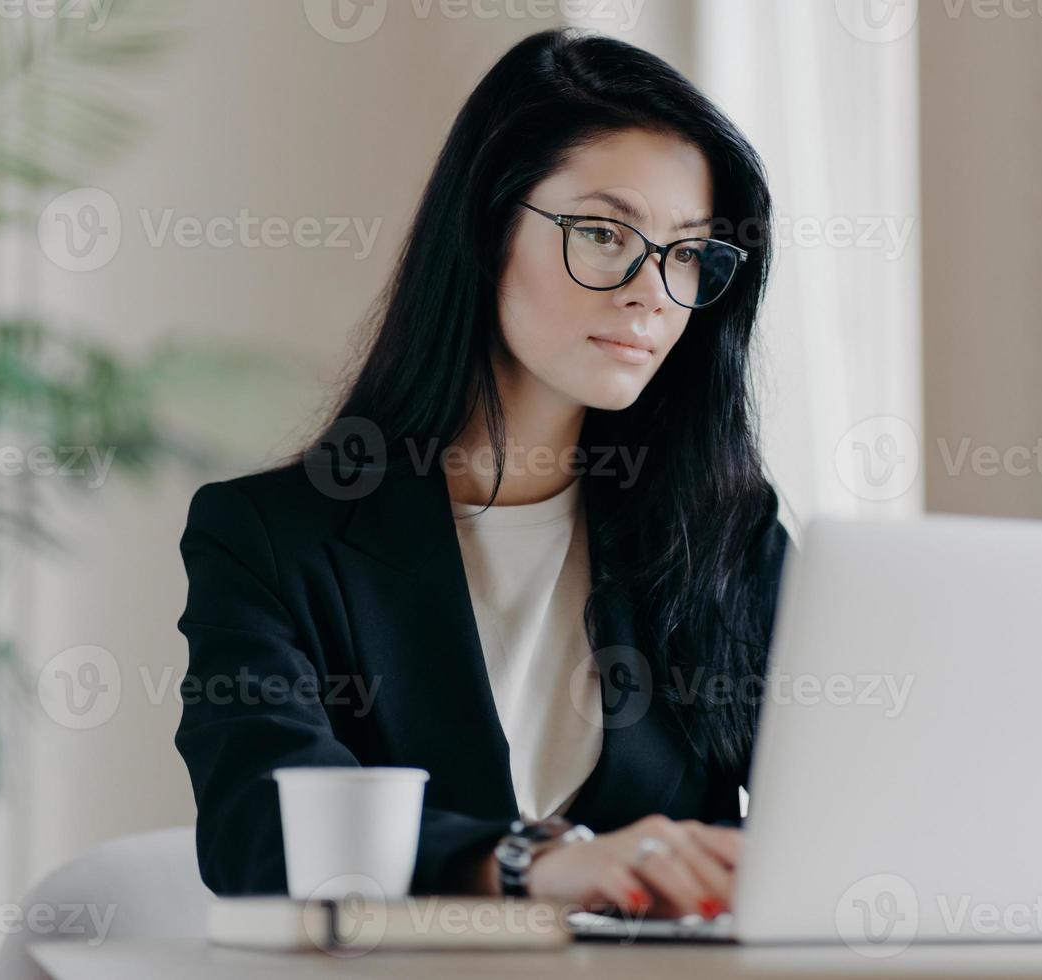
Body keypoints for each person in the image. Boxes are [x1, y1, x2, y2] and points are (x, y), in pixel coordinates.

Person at [174, 27, 793, 922]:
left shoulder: (728, 533)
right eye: (604, 233)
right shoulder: (274, 539)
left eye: (690, 251)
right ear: (487, 224)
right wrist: (523, 867)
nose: (653, 291)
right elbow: (260, 827)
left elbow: (843, 811)